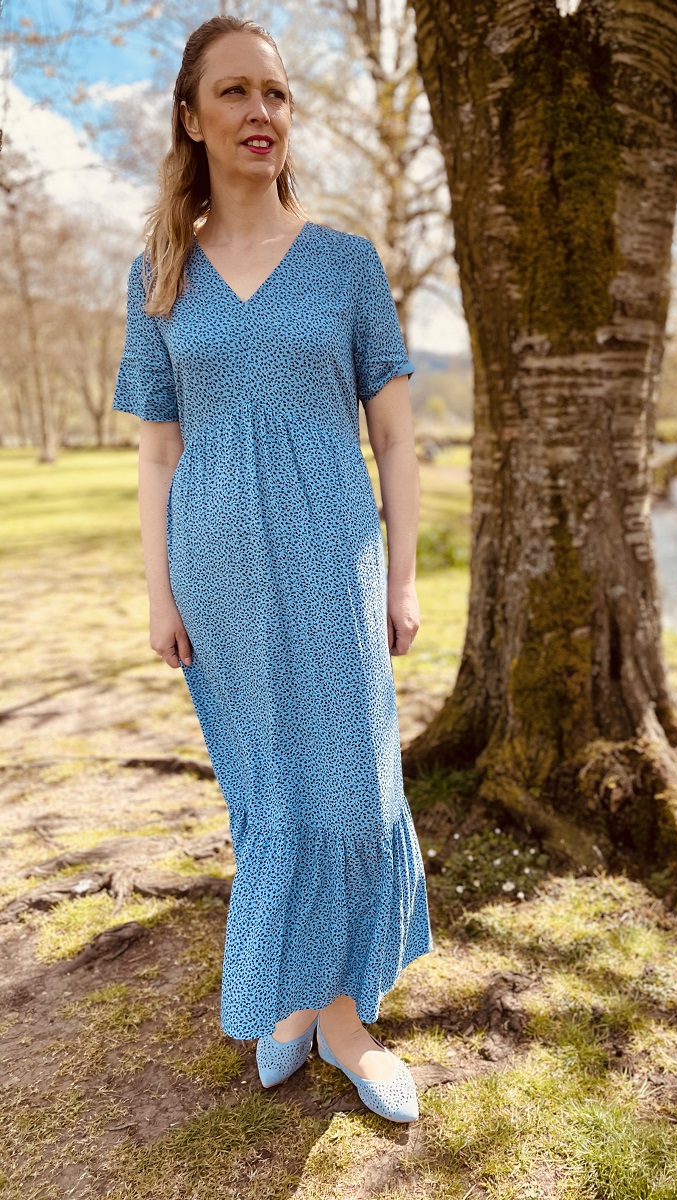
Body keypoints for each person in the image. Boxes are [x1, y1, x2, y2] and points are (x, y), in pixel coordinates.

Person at [111, 14, 434, 1123]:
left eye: (278, 95)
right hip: (216, 568)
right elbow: (157, 450)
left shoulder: (347, 264)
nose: (262, 113)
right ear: (193, 118)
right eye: (238, 93)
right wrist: (158, 591)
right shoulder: (156, 272)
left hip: (333, 555)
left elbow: (395, 438)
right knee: (269, 796)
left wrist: (399, 580)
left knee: (352, 791)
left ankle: (344, 1020)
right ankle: (295, 1001)